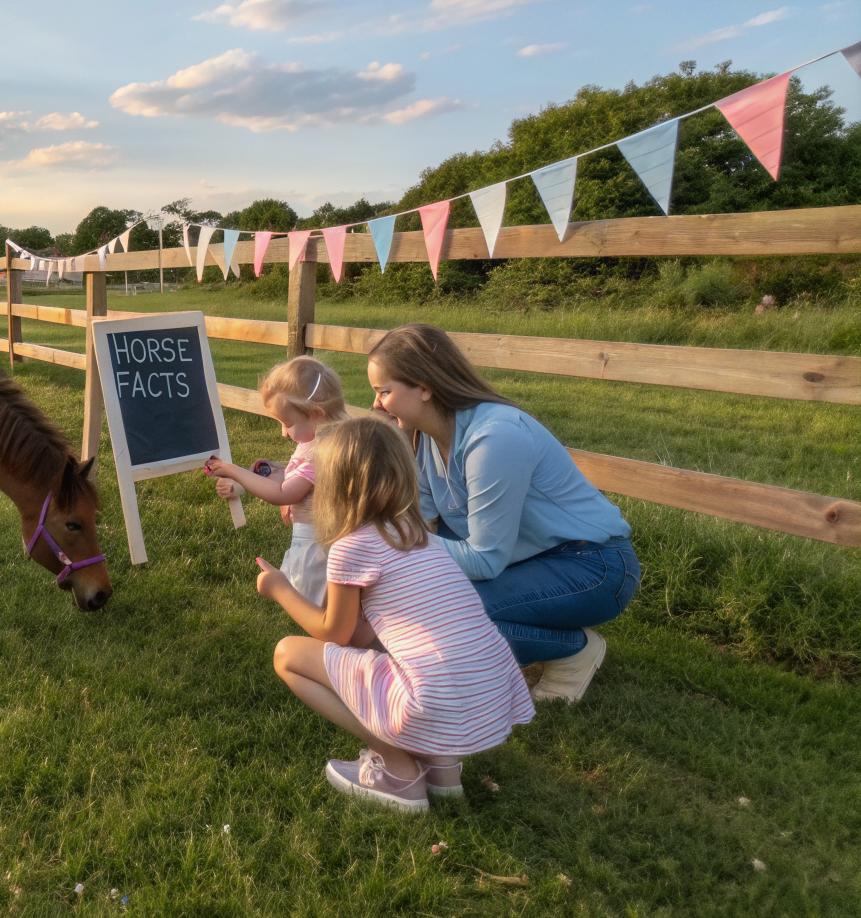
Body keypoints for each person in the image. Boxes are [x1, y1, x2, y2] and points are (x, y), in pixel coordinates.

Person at [257, 416, 534, 812]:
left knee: (287, 655)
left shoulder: (352, 546)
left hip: (431, 700)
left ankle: (398, 769)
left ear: (334, 486)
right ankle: (442, 770)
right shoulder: (420, 535)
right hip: (485, 692)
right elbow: (361, 635)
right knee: (400, 651)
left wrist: (281, 588)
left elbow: (334, 633)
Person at [366, 323, 641, 704]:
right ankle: (528, 639)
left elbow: (482, 560)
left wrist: (387, 541)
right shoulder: (424, 438)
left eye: (384, 392)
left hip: (593, 566)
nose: (376, 404)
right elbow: (427, 527)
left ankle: (572, 649)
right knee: (419, 602)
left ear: (425, 386)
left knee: (445, 614)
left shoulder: (494, 437)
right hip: (528, 563)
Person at [205, 356, 348, 606]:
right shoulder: (317, 442)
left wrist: (234, 471)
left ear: (316, 414)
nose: (283, 433)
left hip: (319, 545)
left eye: (288, 423)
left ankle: (324, 642)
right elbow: (292, 475)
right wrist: (249, 480)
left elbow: (284, 493)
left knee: (314, 606)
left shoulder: (324, 453)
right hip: (316, 538)